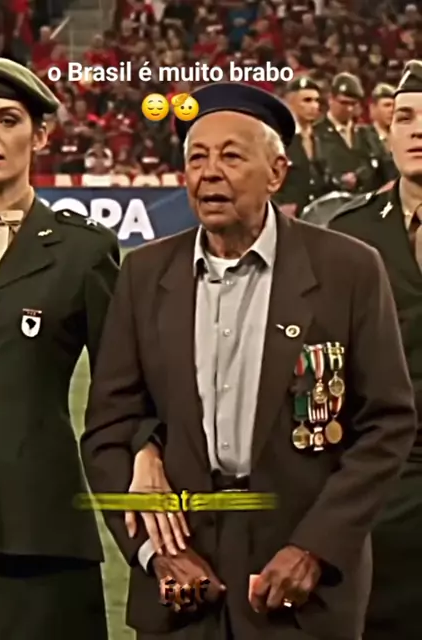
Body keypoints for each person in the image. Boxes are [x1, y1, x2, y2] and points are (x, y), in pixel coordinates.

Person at [81, 81, 417, 640]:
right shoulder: (143, 274)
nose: (209, 173)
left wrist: (315, 549)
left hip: (301, 592)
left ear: (277, 172)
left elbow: (387, 424)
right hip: (184, 591)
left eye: (231, 157)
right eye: (196, 158)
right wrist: (156, 554)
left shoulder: (350, 269)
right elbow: (107, 429)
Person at [0, 56, 120, 639]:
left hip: (46, 536)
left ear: (40, 136)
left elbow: (123, 392)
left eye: (7, 119)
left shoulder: (83, 251)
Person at [329, 59, 422, 640]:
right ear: (386, 132)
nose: (418, 131)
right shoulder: (351, 235)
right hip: (384, 483)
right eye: (405, 117)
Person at [274, 76, 336, 218]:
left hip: (319, 215)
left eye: (316, 100)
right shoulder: (279, 139)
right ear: (290, 102)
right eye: (307, 100)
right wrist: (277, 206)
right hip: (288, 216)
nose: (314, 106)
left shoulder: (323, 136)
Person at [314, 73, 376, 194]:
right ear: (331, 99)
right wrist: (338, 180)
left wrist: (360, 176)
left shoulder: (366, 133)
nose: (349, 109)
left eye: (353, 104)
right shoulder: (316, 133)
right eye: (344, 103)